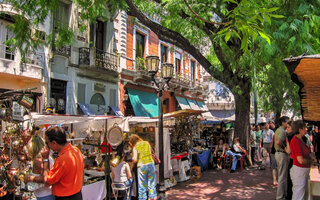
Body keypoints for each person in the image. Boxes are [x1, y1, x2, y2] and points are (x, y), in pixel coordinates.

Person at [27, 127, 84, 200]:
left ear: (54, 143)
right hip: (77, 194)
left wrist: (45, 159)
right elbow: (82, 171)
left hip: (65, 197)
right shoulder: (76, 150)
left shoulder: (62, 159)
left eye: (47, 143)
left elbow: (47, 181)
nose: (47, 146)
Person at [290, 120, 316, 200]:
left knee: (302, 193)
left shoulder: (300, 140)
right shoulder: (296, 141)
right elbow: (300, 160)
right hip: (299, 170)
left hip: (302, 170)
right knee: (299, 194)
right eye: (305, 128)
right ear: (300, 129)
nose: (306, 129)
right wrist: (311, 161)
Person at [24, 134, 54, 200]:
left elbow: (46, 179)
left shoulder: (39, 160)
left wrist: (31, 178)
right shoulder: (47, 158)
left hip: (44, 195)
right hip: (48, 194)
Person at [129, 134, 157, 200]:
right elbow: (152, 152)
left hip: (142, 166)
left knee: (142, 185)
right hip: (150, 164)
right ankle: (152, 197)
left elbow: (135, 159)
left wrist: (132, 157)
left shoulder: (135, 146)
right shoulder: (147, 143)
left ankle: (142, 198)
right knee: (151, 183)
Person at [274, 116, 290, 200]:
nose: (288, 123)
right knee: (282, 176)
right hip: (281, 154)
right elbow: (278, 142)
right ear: (283, 122)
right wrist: (285, 148)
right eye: (287, 121)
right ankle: (280, 196)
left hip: (279, 154)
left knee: (281, 175)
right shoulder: (282, 131)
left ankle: (282, 195)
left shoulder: (278, 130)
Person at [286, 121, 294, 199]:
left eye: (288, 127)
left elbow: (288, 151)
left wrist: (283, 148)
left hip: (293, 161)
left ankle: (290, 196)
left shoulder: (289, 137)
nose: (287, 129)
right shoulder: (302, 137)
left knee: (290, 180)